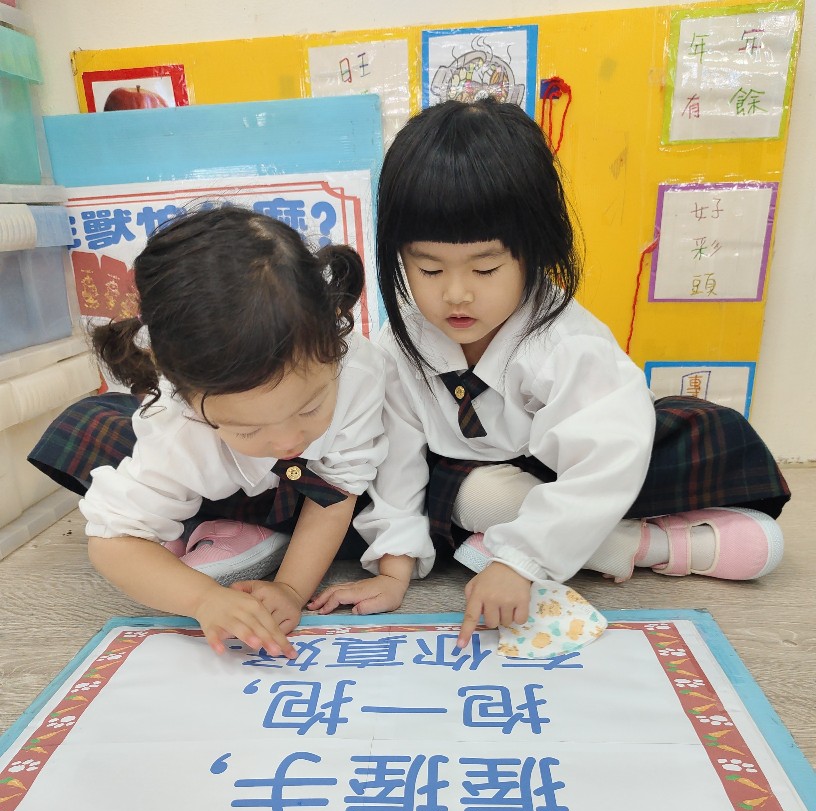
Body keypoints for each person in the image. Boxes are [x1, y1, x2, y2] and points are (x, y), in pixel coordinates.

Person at [308, 98, 790, 647]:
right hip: (477, 479)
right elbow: (398, 465)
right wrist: (394, 571)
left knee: (676, 446)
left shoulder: (565, 343)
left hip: (591, 463)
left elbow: (605, 461)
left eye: (486, 268)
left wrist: (519, 561)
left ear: (534, 251)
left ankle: (637, 540)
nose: (456, 294)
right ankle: (642, 546)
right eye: (429, 268)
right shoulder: (399, 348)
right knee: (442, 490)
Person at [30, 205, 386, 657]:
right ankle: (224, 524)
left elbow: (337, 492)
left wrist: (291, 588)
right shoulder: (178, 427)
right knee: (87, 424)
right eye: (247, 429)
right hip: (213, 481)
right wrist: (202, 599)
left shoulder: (357, 369)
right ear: (184, 393)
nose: (288, 441)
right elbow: (112, 542)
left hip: (307, 496)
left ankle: (245, 530)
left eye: (311, 407)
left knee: (384, 500)